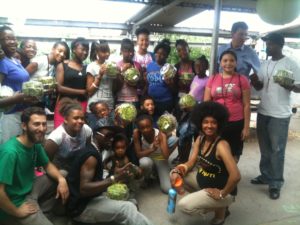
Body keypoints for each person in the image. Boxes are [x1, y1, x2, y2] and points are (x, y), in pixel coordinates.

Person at [170, 101, 241, 225]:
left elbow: (236, 176)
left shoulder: (222, 145)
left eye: (213, 122)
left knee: (185, 206)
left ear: (219, 124)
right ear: (200, 124)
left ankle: (221, 209)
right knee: (174, 174)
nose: (209, 126)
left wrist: (222, 194)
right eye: (206, 122)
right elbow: (191, 162)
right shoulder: (200, 138)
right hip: (203, 182)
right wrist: (178, 169)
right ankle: (218, 208)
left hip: (222, 191)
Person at [66, 125, 153, 225]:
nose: (111, 139)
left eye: (112, 137)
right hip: (82, 208)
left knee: (126, 198)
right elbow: (84, 189)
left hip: (91, 197)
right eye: (108, 136)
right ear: (96, 135)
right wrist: (115, 178)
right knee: (127, 208)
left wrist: (117, 175)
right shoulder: (91, 157)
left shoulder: (94, 151)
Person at [250, 33, 300, 200]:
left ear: (280, 45)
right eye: (267, 44)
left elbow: (299, 87)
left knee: (277, 151)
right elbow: (259, 88)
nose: (268, 47)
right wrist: (254, 81)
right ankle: (265, 176)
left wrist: (291, 85)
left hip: (280, 115)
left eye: (270, 44)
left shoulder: (291, 64)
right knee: (265, 149)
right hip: (263, 112)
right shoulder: (264, 64)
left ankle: (276, 183)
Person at [0, 107, 69, 225]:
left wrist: (61, 179)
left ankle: (44, 212)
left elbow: (47, 165)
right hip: (15, 201)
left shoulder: (34, 144)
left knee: (62, 174)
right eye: (36, 124)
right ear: (24, 126)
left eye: (44, 124)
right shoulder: (10, 152)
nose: (41, 129)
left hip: (29, 190)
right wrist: (16, 211)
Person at [204, 50, 251, 162]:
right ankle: (219, 176)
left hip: (236, 122)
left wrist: (246, 127)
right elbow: (206, 102)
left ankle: (231, 175)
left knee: (234, 152)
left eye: (231, 60)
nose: (228, 63)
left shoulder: (242, 79)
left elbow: (247, 104)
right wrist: (205, 124)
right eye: (225, 60)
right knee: (215, 150)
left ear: (236, 63)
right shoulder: (213, 79)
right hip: (217, 122)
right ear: (220, 63)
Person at [0, 26, 37, 144]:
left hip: (21, 114)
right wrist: (16, 99)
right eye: (7, 38)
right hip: (8, 117)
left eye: (14, 38)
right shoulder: (2, 62)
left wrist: (29, 98)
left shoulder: (15, 61)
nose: (12, 41)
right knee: (9, 153)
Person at [44, 98, 92, 174]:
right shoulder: (55, 138)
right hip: (59, 169)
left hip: (78, 166)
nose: (80, 121)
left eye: (82, 118)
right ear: (66, 119)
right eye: (76, 118)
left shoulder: (86, 130)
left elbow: (88, 151)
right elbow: (46, 163)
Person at [133, 114, 177, 193]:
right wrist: (152, 148)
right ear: (138, 128)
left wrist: (162, 138)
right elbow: (138, 154)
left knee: (167, 189)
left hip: (159, 158)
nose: (146, 130)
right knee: (144, 162)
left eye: (148, 126)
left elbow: (166, 156)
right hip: (147, 158)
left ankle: (157, 172)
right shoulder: (137, 134)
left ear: (152, 125)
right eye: (142, 128)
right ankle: (146, 178)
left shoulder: (160, 134)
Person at [54, 37, 89, 128]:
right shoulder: (62, 66)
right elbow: (59, 88)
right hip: (64, 106)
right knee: (60, 133)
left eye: (87, 50)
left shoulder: (87, 68)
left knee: (77, 133)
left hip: (81, 106)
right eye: (82, 49)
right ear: (73, 49)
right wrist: (81, 92)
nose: (85, 52)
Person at [146, 39, 176, 117]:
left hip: (165, 102)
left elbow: (174, 89)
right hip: (152, 103)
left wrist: (169, 84)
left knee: (164, 123)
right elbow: (147, 83)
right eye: (157, 53)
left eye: (162, 54)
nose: (159, 55)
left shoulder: (169, 68)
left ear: (166, 56)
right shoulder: (150, 66)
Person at [86, 40, 115, 113]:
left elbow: (115, 88)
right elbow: (89, 92)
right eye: (104, 52)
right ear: (96, 52)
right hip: (95, 106)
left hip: (109, 105)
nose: (107, 54)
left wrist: (118, 75)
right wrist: (100, 75)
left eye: (108, 51)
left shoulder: (111, 65)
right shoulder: (91, 66)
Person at [114, 38, 142, 108]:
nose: (131, 53)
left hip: (134, 100)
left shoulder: (137, 65)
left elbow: (140, 85)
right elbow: (115, 88)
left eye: (132, 51)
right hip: (120, 100)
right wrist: (122, 72)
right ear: (122, 51)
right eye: (128, 51)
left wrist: (134, 82)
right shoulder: (117, 66)